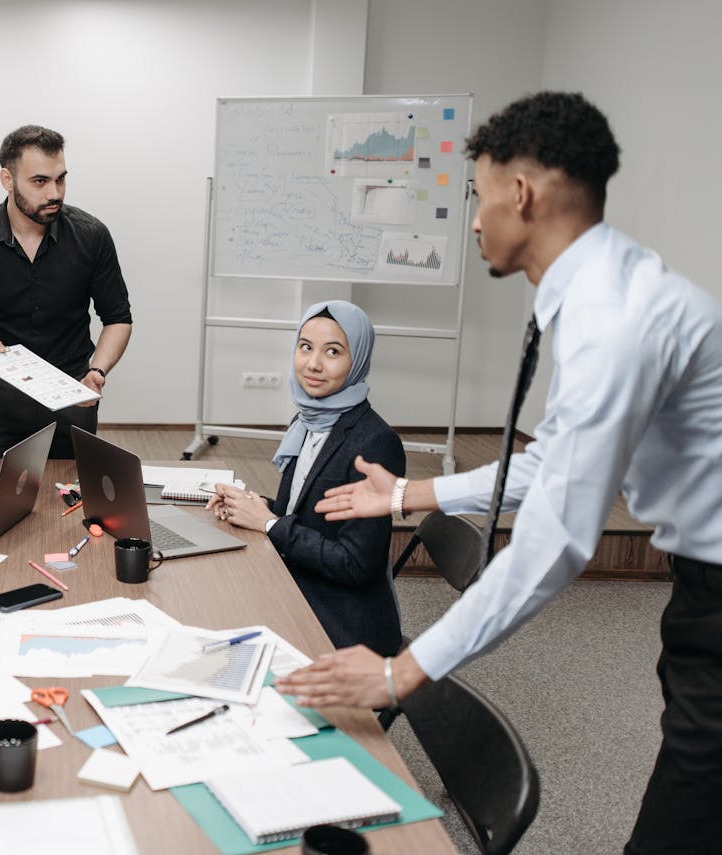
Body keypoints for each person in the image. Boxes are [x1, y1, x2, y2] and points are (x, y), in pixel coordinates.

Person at [277, 92, 722, 855]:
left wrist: (400, 672)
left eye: (480, 197)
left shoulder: (613, 318)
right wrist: (411, 493)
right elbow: (553, 460)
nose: (476, 222)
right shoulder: (600, 293)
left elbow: (555, 543)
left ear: (522, 194)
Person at [208, 301, 404, 655]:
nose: (313, 363)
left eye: (333, 352)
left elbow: (355, 564)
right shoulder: (309, 421)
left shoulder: (374, 443)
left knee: (218, 622)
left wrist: (269, 524)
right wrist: (251, 505)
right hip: (301, 579)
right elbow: (298, 512)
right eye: (305, 347)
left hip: (343, 619)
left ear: (357, 359)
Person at [0, 124, 133, 459]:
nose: (54, 192)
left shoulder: (92, 235)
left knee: (70, 504)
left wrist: (97, 371)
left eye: (61, 179)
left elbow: (118, 318)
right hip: (1, 405)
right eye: (40, 181)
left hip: (74, 398)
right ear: (7, 180)